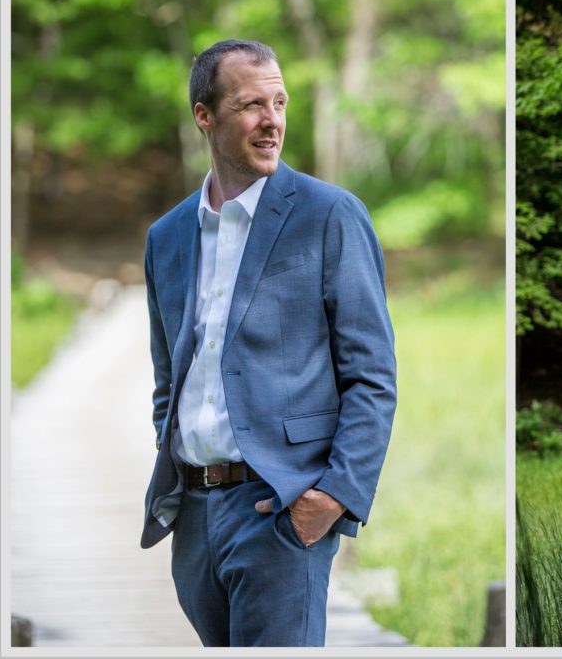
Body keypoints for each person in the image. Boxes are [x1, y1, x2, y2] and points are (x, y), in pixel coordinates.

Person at [140, 39, 397, 645]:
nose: (272, 120)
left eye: (280, 103)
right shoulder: (167, 236)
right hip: (196, 517)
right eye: (252, 104)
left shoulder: (330, 215)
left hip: (280, 510)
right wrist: (175, 456)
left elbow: (372, 375)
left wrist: (332, 496)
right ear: (205, 115)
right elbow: (167, 378)